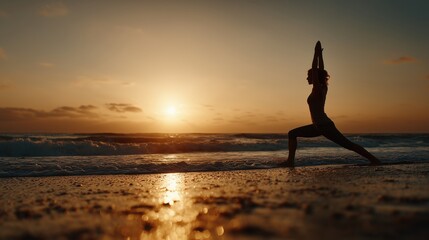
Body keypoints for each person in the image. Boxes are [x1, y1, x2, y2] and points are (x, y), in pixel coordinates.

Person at [281, 41, 381, 167]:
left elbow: (318, 70)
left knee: (348, 145)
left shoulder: (317, 89)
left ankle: (375, 160)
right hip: (318, 126)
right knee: (292, 133)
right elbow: (321, 70)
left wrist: (315, 54)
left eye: (308, 76)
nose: (307, 78)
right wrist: (320, 56)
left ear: (315, 77)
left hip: (324, 125)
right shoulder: (323, 87)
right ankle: (290, 161)